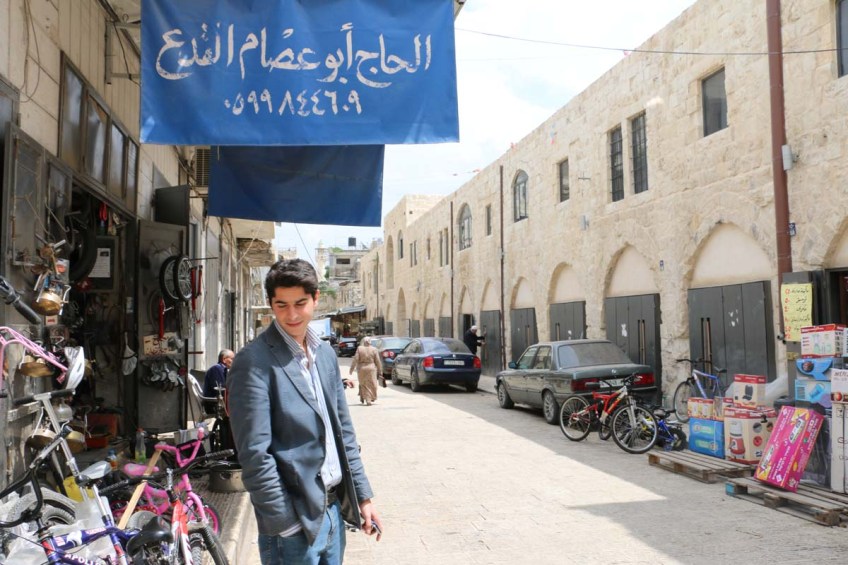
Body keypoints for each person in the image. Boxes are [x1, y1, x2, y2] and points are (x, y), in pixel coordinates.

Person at [227, 259, 382, 564]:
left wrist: (363, 496)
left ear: (315, 299)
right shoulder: (253, 362)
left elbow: (343, 432)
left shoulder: (324, 353)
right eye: (281, 305)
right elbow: (255, 454)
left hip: (334, 511)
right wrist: (286, 523)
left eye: (300, 303)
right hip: (293, 524)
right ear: (271, 304)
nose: (292, 314)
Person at [349, 336, 383, 405]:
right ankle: (368, 399)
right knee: (372, 383)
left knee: (363, 383)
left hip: (361, 368)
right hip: (371, 368)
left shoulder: (359, 348)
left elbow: (355, 359)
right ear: (370, 342)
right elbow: (378, 361)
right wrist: (380, 371)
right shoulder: (374, 349)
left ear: (364, 342)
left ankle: (363, 397)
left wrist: (351, 369)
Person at [202, 349, 234, 413]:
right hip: (214, 405)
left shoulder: (223, 370)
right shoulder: (216, 369)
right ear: (224, 359)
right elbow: (220, 389)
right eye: (232, 359)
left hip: (220, 403)